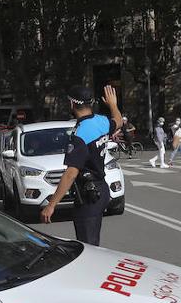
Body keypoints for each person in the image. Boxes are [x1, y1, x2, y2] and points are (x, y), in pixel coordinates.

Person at [41, 84, 123, 245]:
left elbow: (71, 173)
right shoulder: (101, 121)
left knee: (89, 246)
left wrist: (51, 205)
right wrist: (113, 105)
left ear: (72, 104)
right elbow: (118, 121)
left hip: (89, 196)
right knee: (93, 242)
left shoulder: (80, 134)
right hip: (101, 189)